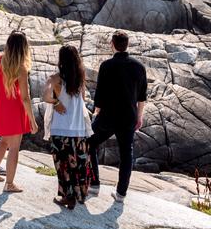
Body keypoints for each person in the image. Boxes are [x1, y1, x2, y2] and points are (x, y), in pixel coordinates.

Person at [88, 30, 147, 201]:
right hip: (128, 116)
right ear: (127, 45)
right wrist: (139, 116)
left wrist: (96, 113)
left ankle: (94, 184)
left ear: (112, 44)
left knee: (89, 143)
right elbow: (142, 97)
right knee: (126, 153)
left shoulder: (106, 65)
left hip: (108, 116)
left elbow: (99, 96)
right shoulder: (139, 67)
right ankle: (121, 193)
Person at [42, 45, 93, 209]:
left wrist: (56, 102)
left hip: (59, 128)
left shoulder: (55, 78)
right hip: (78, 129)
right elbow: (82, 100)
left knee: (62, 165)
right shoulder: (80, 78)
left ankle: (67, 197)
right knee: (78, 164)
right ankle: (79, 195)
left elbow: (45, 96)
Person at [0, 31, 36, 193]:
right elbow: (26, 98)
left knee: (4, 141)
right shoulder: (21, 68)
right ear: (23, 48)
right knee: (14, 147)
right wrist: (33, 121)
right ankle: (9, 183)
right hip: (15, 109)